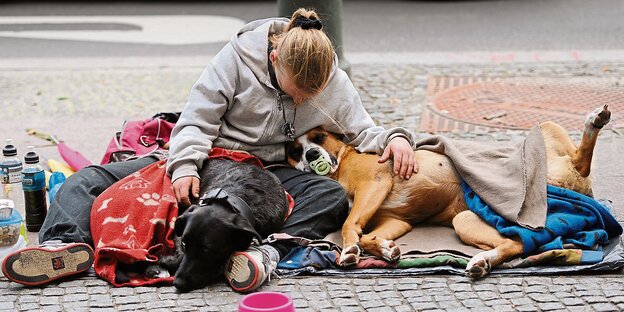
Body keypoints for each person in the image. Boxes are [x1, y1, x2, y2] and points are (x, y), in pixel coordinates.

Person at [2, 8, 417, 292]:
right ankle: (63, 247)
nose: (307, 99)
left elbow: (362, 130)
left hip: (269, 172)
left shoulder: (329, 78)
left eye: (315, 93)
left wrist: (396, 139)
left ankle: (265, 252)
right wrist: (184, 167)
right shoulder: (234, 61)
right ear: (274, 58)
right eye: (298, 92)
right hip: (209, 159)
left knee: (328, 195)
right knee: (87, 179)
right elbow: (195, 123)